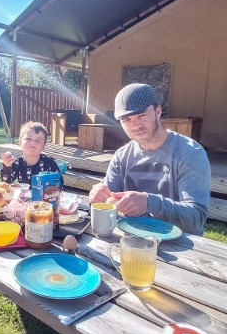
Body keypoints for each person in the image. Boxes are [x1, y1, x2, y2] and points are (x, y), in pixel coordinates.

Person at [89, 84, 210, 235]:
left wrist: (149, 203)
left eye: (141, 115)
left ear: (158, 111)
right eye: (127, 119)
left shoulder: (190, 153)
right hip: (131, 240)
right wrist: (97, 196)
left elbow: (195, 218)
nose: (135, 125)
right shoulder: (121, 156)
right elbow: (109, 201)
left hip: (181, 245)